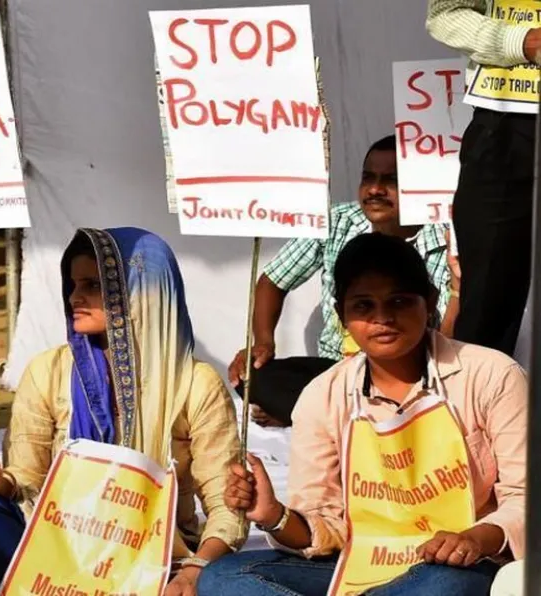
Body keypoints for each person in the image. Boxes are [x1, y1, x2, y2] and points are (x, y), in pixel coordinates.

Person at [200, 233, 524, 596]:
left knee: (444, 585)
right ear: (342, 315)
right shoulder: (323, 395)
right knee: (221, 577)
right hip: (359, 561)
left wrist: (475, 539)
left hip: (456, 565)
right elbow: (325, 526)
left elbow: (525, 499)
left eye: (399, 302)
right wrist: (275, 516)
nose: (382, 318)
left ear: (429, 302)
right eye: (363, 306)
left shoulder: (491, 374)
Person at [0, 227, 245, 596]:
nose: (74, 298)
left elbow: (228, 506)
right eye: (72, 285)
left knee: (230, 582)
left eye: (91, 285)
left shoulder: (196, 383)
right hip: (56, 548)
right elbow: (27, 479)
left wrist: (196, 571)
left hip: (156, 557)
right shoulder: (49, 370)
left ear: (141, 293)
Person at [228, 135, 458, 427]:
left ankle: (321, 417)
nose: (375, 189)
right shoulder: (338, 221)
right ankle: (337, 416)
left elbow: (451, 341)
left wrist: (457, 289)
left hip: (413, 377)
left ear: (419, 188)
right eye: (368, 178)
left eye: (391, 180)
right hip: (337, 373)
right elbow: (273, 280)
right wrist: (263, 343)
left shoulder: (447, 240)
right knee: (252, 376)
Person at [427, 0, 540, 356]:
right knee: (488, 296)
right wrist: (523, 41)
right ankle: (480, 406)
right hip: (507, 121)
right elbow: (445, 16)